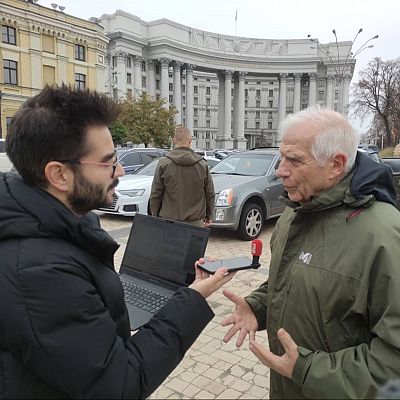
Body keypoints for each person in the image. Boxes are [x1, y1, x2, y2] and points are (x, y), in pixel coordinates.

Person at [0, 85, 234, 398]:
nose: (120, 170)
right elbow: (119, 385)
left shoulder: (59, 224)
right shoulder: (40, 272)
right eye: (108, 161)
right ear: (58, 175)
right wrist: (192, 300)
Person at [221, 107, 400, 399]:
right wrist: (258, 306)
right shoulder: (294, 214)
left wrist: (307, 371)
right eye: (282, 157)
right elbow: (296, 285)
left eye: (294, 160)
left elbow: (394, 360)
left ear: (335, 165)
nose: (279, 170)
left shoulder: (384, 235)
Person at [150, 127, 215, 227]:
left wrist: (155, 215)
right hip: (195, 222)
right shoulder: (202, 164)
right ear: (190, 141)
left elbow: (156, 194)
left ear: (174, 141)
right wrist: (209, 215)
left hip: (169, 222)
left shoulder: (164, 163)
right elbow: (209, 193)